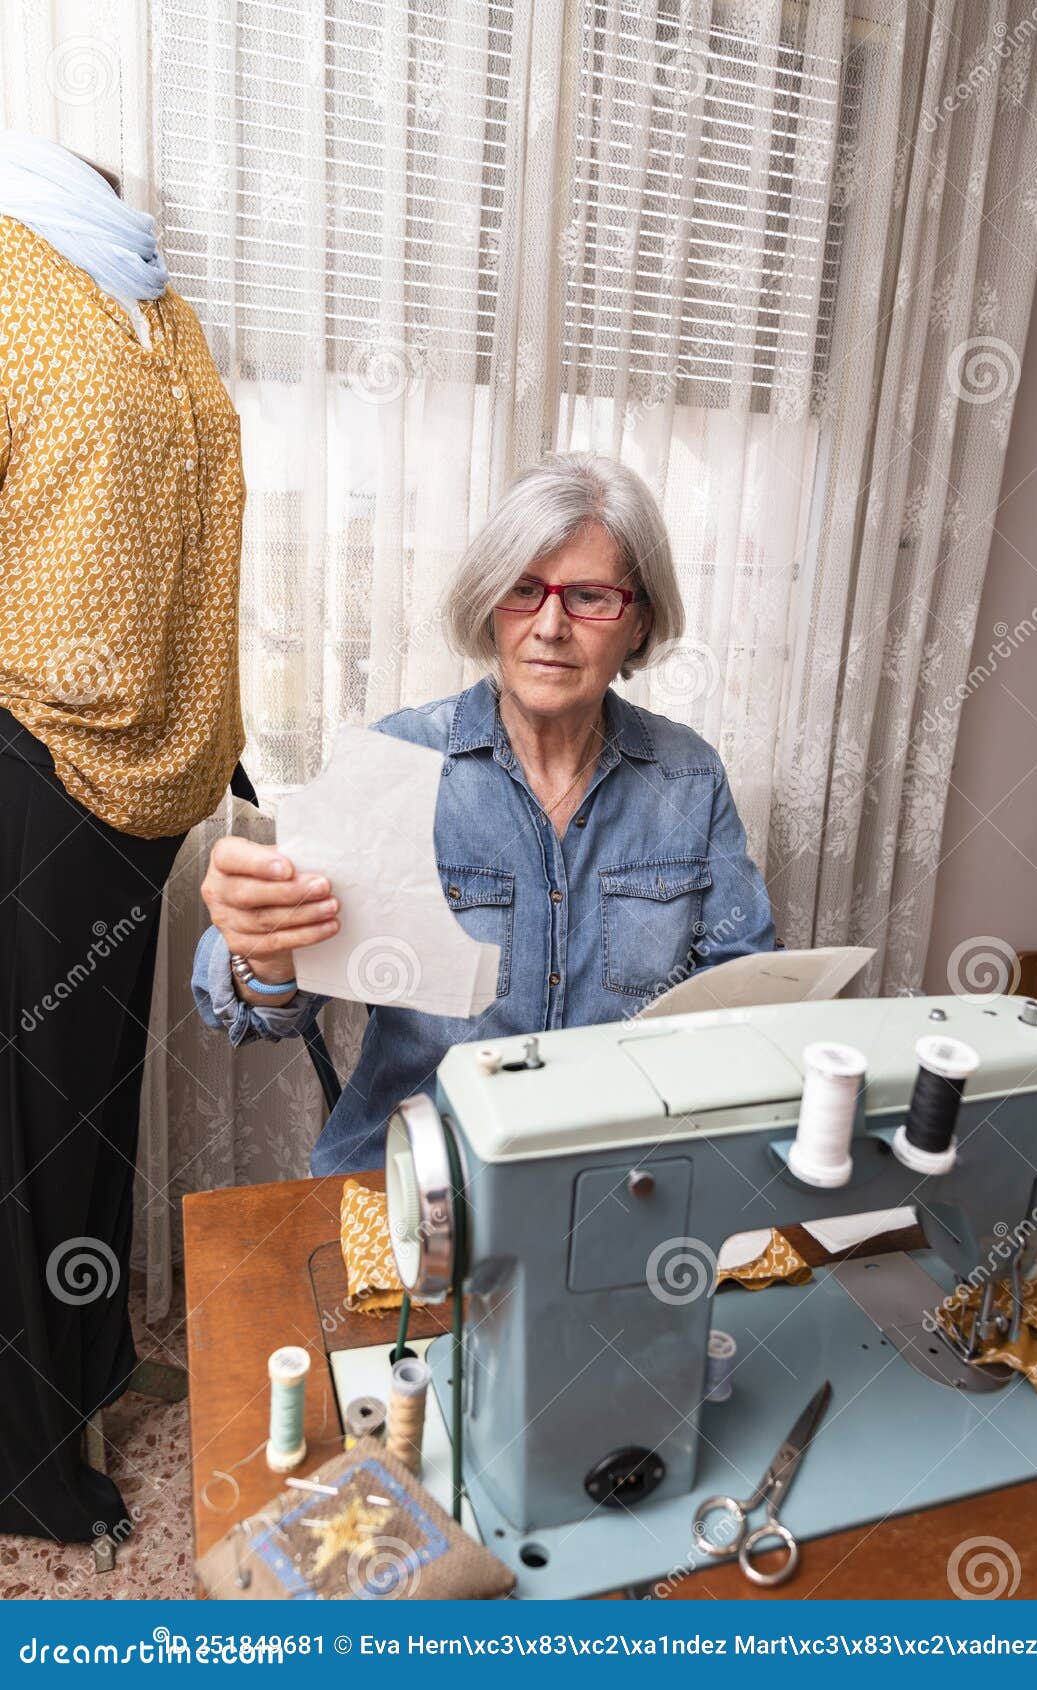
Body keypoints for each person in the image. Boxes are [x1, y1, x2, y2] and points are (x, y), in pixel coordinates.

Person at [194, 452, 775, 1174]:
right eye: (523, 590)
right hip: (413, 1178)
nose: (551, 625)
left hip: (615, 1177)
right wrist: (264, 952)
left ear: (638, 623)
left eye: (590, 597)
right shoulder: (395, 760)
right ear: (488, 606)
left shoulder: (687, 775)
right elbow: (257, 1011)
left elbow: (745, 981)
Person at [0, 134, 248, 1543]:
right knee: (25, 1131)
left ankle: (87, 1367)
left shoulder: (156, 301)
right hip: (31, 760)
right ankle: (26, 1459)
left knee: (93, 1110)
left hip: (144, 778)